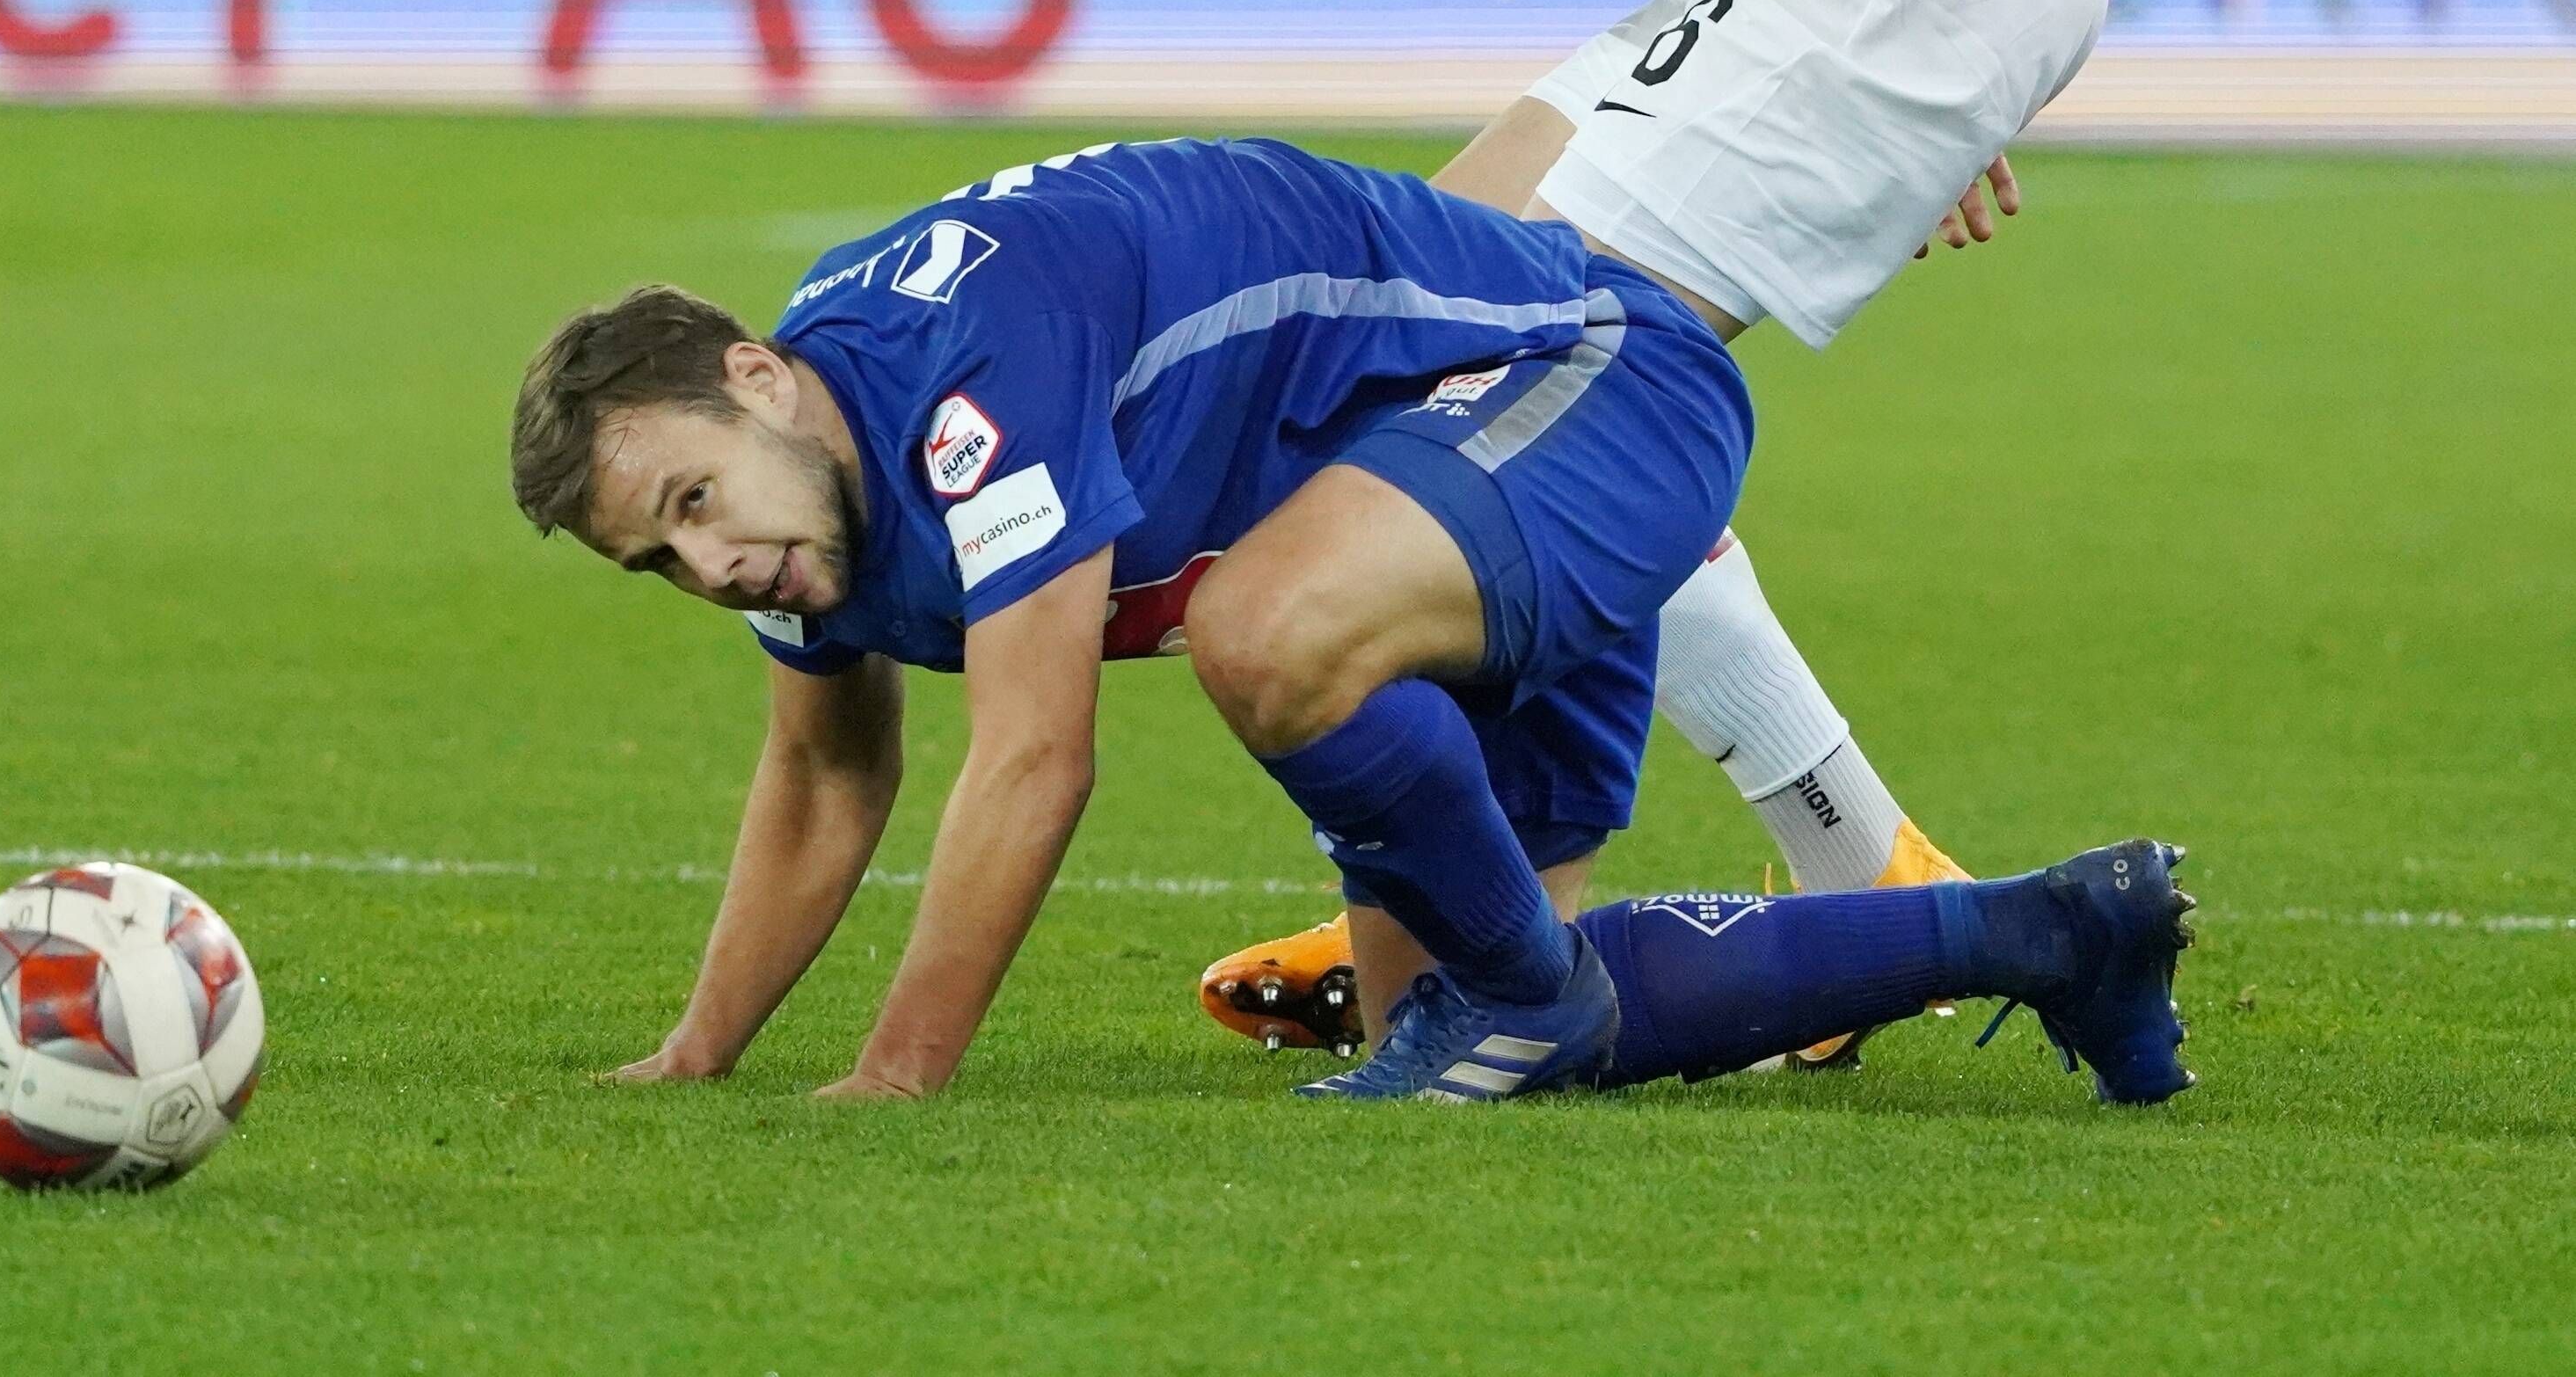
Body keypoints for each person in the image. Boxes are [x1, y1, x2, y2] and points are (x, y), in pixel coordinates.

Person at [509, 137, 2189, 1104]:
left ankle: (1554, 982)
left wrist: (896, 1075)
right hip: (1436, 498)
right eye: (658, 562)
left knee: (1259, 632)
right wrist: (694, 1058)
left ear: (755, 379)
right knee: (1463, 1036)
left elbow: (1033, 755)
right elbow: (822, 777)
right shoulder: (811, 491)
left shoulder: (958, 377)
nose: (710, 567)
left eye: (691, 506)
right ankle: (2046, 937)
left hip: (1585, 389)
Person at [1205, 0, 2113, 1054]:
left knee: (1476, 384)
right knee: (1439, 301)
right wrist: (1953, 1)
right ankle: (1831, 860)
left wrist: (1913, 2)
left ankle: (1493, 918)